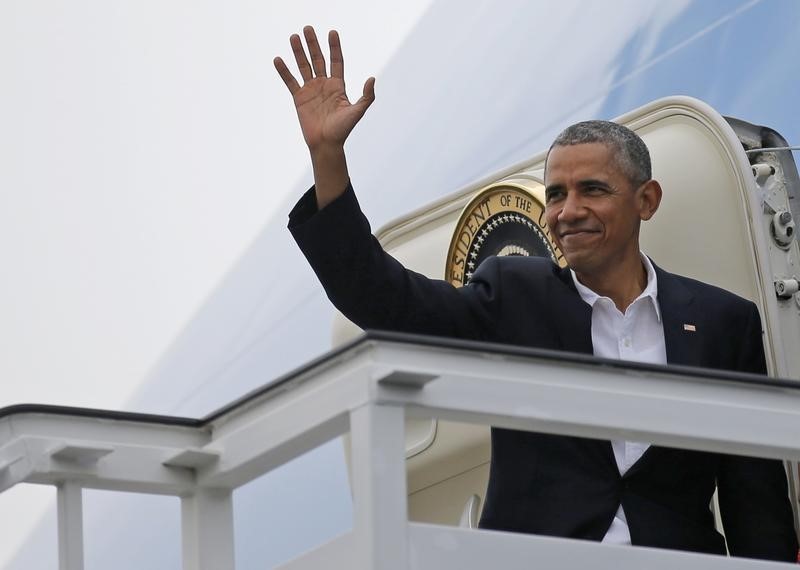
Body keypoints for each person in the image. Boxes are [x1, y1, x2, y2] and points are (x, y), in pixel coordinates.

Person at [275, 26, 798, 560]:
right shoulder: (514, 295)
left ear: (647, 200)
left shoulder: (721, 322)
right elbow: (382, 299)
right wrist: (327, 157)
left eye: (592, 190)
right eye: (556, 194)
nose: (567, 212)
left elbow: (755, 503)